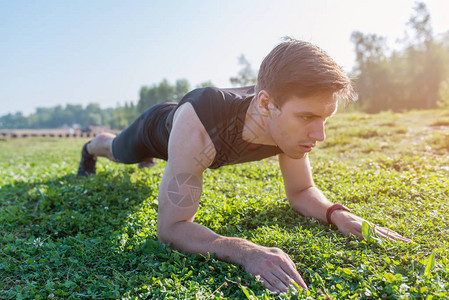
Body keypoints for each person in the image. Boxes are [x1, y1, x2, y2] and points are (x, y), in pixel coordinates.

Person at [77, 37, 411, 293]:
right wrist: (245, 250)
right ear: (266, 103)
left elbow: (301, 190)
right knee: (120, 151)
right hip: (156, 130)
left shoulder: (288, 123)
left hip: (190, 139)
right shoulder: (201, 124)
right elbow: (171, 228)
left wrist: (335, 213)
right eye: (307, 117)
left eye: (325, 118)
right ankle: (92, 146)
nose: (319, 134)